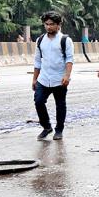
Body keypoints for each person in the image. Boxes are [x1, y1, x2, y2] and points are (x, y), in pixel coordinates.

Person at [32, 12, 74, 140]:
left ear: (58, 25)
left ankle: (59, 130)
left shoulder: (65, 40)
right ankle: (46, 127)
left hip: (59, 79)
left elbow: (69, 59)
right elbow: (37, 60)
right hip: (43, 78)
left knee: (60, 105)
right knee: (38, 101)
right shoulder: (40, 40)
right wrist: (34, 79)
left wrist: (67, 76)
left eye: (52, 24)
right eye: (47, 24)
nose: (49, 27)